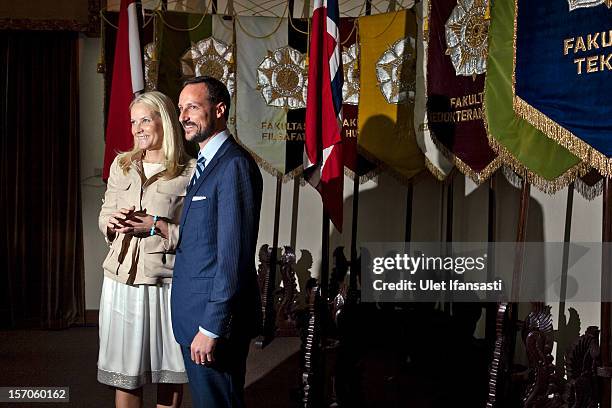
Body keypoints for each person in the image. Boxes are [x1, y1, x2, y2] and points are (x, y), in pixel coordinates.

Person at [98, 91, 195, 408]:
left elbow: (196, 236)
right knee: (127, 374)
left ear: (164, 121)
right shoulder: (121, 165)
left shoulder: (189, 172)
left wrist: (155, 226)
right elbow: (104, 214)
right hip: (122, 281)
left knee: (170, 373)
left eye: (145, 120)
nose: (137, 128)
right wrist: (111, 222)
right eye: (133, 121)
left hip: (165, 286)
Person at [171, 76, 263, 408]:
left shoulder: (233, 164)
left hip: (213, 321)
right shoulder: (207, 163)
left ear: (219, 109)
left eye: (192, 107)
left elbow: (233, 256)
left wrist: (211, 327)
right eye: (181, 109)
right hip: (196, 313)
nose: (183, 116)